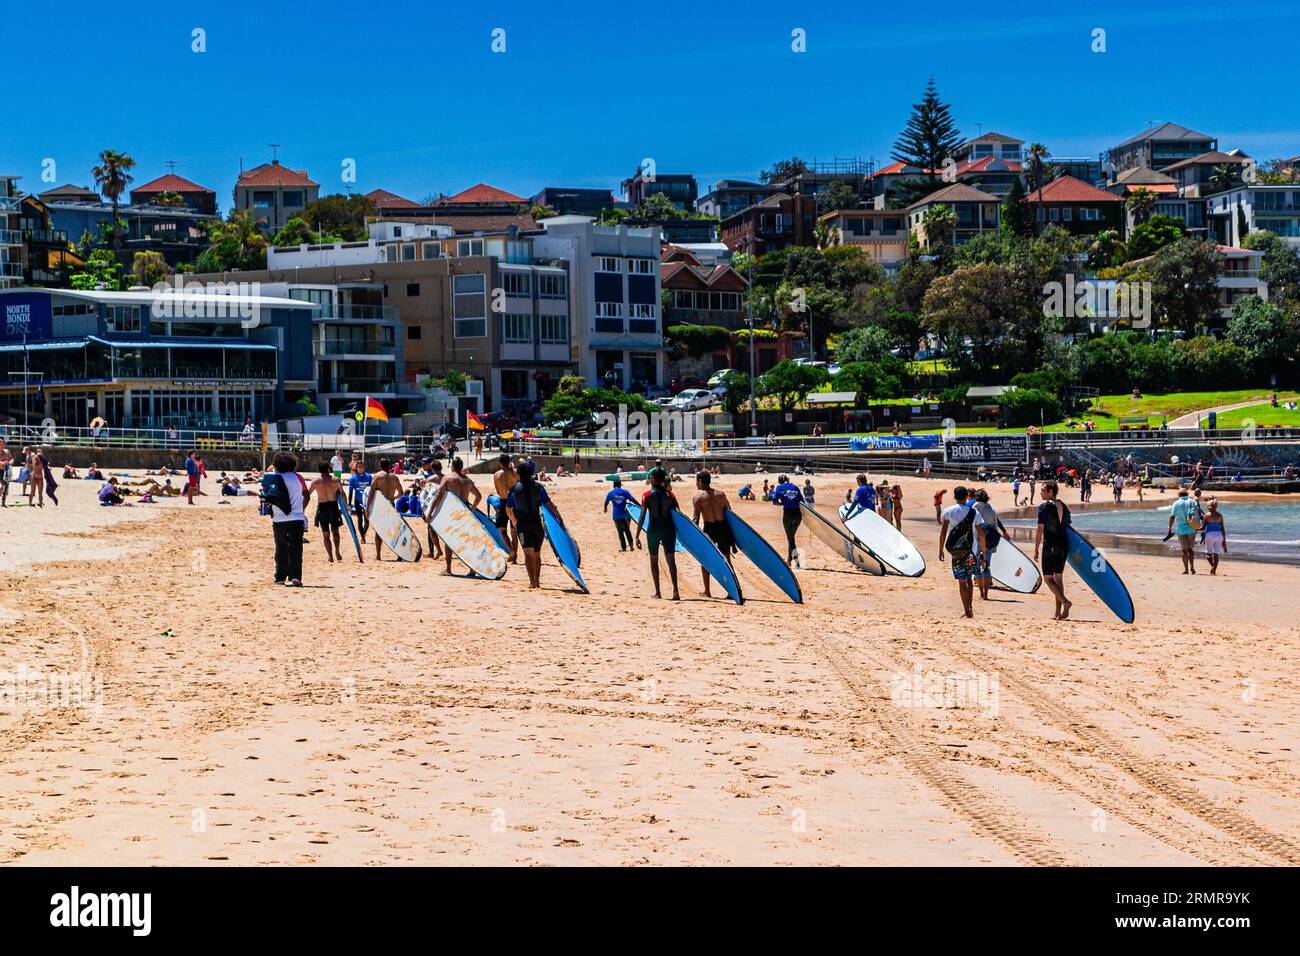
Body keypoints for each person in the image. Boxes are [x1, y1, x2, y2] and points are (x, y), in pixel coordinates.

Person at [505, 460, 555, 590]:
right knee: (537, 554)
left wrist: (515, 522)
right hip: (536, 523)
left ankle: (532, 582)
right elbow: (549, 505)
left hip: (523, 524)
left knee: (528, 553)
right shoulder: (539, 487)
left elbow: (508, 509)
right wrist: (558, 519)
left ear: (519, 474)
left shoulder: (514, 489)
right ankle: (537, 581)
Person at [938, 485, 987, 618]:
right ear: (967, 497)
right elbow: (981, 533)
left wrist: (941, 549)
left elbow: (943, 532)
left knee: (961, 581)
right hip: (971, 550)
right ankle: (970, 607)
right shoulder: (974, 513)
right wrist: (983, 551)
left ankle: (966, 610)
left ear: (954, 497)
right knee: (970, 579)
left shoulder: (948, 511)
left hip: (956, 551)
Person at [428, 457, 483, 575]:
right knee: (467, 540)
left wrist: (430, 512)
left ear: (452, 466)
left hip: (453, 512)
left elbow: (438, 495)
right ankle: (472, 569)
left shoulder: (448, 478)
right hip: (466, 512)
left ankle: (448, 569)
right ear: (462, 467)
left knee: (449, 539)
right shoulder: (468, 481)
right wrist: (472, 509)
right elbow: (478, 496)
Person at [263, 451, 310, 587]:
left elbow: (267, 496)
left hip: (279, 518)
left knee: (281, 548)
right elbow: (305, 495)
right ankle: (296, 577)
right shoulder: (297, 478)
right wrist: (300, 511)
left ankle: (280, 577)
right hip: (297, 518)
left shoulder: (274, 477)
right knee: (296, 548)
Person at [633, 467, 680, 600]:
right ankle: (676, 591)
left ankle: (658, 592)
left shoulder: (647, 495)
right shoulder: (670, 495)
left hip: (653, 530)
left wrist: (637, 535)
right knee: (671, 559)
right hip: (668, 529)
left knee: (654, 559)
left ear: (653, 479)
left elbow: (642, 515)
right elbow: (678, 514)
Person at [1033, 480, 1072, 620]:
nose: (1041, 493)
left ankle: (1065, 602)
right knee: (1058, 578)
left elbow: (1040, 529)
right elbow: (1068, 528)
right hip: (1064, 545)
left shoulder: (1044, 507)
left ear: (1050, 492)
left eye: (1043, 490)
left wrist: (1036, 549)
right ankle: (1057, 613)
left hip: (1051, 545)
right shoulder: (1064, 506)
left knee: (1048, 578)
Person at [692, 471, 735, 599]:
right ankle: (731, 591)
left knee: (705, 560)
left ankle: (707, 591)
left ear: (700, 481)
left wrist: (694, 537)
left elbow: (696, 519)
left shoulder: (698, 498)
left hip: (709, 529)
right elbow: (730, 513)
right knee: (727, 559)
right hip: (723, 528)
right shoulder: (721, 494)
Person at [366, 459, 404, 561]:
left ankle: (378, 555)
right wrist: (393, 498)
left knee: (379, 531)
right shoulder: (394, 477)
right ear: (389, 466)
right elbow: (401, 493)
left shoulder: (377, 476)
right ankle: (400, 555)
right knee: (394, 531)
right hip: (391, 504)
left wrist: (367, 507)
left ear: (380, 465)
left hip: (381, 506)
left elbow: (370, 493)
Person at [309, 462, 345, 563]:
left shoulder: (315, 482)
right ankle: (337, 550)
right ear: (329, 469)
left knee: (325, 534)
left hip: (322, 508)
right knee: (335, 532)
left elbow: (307, 495)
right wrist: (345, 508)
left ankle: (330, 556)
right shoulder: (336, 480)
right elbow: (343, 494)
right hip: (333, 507)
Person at [972, 489, 1001, 601]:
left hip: (976, 541)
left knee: (976, 568)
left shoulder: (974, 509)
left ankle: (981, 592)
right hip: (988, 542)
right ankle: (986, 594)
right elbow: (995, 527)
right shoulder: (991, 510)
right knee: (986, 567)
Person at [770, 473, 804, 565]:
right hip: (798, 515)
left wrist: (781, 504)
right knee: (791, 538)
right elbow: (802, 501)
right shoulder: (795, 487)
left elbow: (774, 500)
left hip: (788, 514)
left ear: (779, 481)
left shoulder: (779, 487)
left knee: (791, 539)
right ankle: (789, 560)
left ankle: (796, 561)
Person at [491, 453, 520, 563]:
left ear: (500, 463)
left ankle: (511, 551)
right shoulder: (516, 473)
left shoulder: (496, 475)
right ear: (509, 462)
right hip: (515, 502)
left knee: (502, 530)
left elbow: (498, 491)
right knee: (514, 530)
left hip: (503, 501)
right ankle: (515, 556)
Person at [1167, 488, 1199, 574]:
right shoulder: (1192, 502)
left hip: (1181, 529)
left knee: (1184, 550)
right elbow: (1197, 514)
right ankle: (1192, 567)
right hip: (1192, 527)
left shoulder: (1176, 503)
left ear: (1179, 495)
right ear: (1187, 494)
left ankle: (1186, 569)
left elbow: (1172, 516)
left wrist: (1169, 527)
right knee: (1190, 549)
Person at [604, 477, 636, 552]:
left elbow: (606, 502)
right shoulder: (625, 492)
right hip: (624, 515)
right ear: (620, 485)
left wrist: (605, 508)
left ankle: (624, 548)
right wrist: (640, 505)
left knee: (620, 532)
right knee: (627, 530)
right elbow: (632, 499)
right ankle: (631, 546)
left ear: (613, 485)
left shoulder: (610, 493)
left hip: (616, 516)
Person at [348, 460, 373, 543]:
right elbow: (351, 492)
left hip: (367, 501)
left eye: (362, 467)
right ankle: (363, 538)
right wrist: (349, 504)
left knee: (367, 521)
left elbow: (372, 490)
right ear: (356, 468)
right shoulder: (353, 478)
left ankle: (363, 533)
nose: (360, 469)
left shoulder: (369, 477)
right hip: (358, 501)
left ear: (364, 467)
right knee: (359, 519)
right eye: (359, 467)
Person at [1202, 498, 1227, 574]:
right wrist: (1224, 540)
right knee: (1216, 553)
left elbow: (1203, 528)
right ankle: (1214, 569)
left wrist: (1195, 527)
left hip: (1210, 535)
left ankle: (1213, 566)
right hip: (1219, 535)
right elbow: (1222, 528)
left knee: (1208, 553)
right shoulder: (1220, 515)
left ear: (1208, 506)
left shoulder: (1206, 515)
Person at [0, 439, 11, 507]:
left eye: (3, 444)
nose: (2, 446)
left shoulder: (7, 451)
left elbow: (12, 459)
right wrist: (3, 463)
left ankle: (3, 502)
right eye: (1, 444)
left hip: (5, 471)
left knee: (5, 487)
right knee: (1, 486)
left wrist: (9, 463)